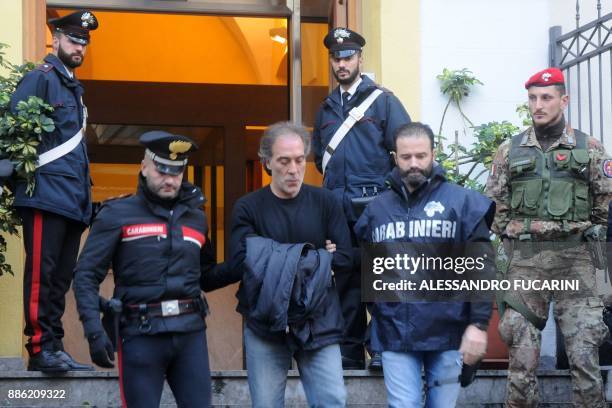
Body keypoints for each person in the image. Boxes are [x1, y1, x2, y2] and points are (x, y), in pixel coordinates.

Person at [486, 67, 612, 408]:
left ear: (563, 100)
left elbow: (604, 208)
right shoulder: (509, 151)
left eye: (546, 97)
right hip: (527, 263)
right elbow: (496, 211)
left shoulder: (590, 148)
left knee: (585, 352)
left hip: (577, 261)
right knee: (521, 354)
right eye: (532, 98)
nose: (538, 105)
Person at [74, 131, 220, 407]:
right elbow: (85, 276)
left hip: (190, 332)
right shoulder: (116, 213)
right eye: (162, 170)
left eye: (176, 172)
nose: (169, 179)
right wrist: (93, 331)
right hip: (140, 333)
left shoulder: (197, 218)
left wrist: (245, 262)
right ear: (144, 166)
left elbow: (207, 275)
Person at [354, 122, 494, 407]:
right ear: (395, 157)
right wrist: (377, 316)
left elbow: (481, 266)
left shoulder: (463, 203)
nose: (414, 164)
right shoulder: (376, 210)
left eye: (421, 156)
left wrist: (478, 324)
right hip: (395, 333)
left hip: (448, 332)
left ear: (434, 153)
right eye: (406, 157)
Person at [224, 122, 353, 407]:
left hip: (318, 318)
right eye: (284, 161)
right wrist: (319, 258)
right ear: (267, 162)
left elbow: (344, 257)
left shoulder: (326, 201)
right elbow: (244, 262)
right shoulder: (248, 207)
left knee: (333, 400)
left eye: (299, 160)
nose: (294, 169)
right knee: (267, 404)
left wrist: (270, 255)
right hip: (265, 321)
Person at [312, 27, 411, 370]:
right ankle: (349, 352)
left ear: (359, 59)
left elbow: (407, 151)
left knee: (380, 280)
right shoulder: (325, 109)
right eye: (336, 58)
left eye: (348, 56)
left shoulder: (383, 101)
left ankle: (381, 349)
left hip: (376, 207)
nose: (342, 63)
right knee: (345, 282)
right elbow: (318, 159)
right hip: (337, 208)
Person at [9, 10, 98, 372]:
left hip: (72, 200)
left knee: (60, 278)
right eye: (74, 39)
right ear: (57, 39)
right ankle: (39, 347)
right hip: (46, 194)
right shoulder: (40, 78)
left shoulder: (73, 88)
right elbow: (15, 130)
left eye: (84, 42)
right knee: (42, 275)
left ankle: (54, 345)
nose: (79, 47)